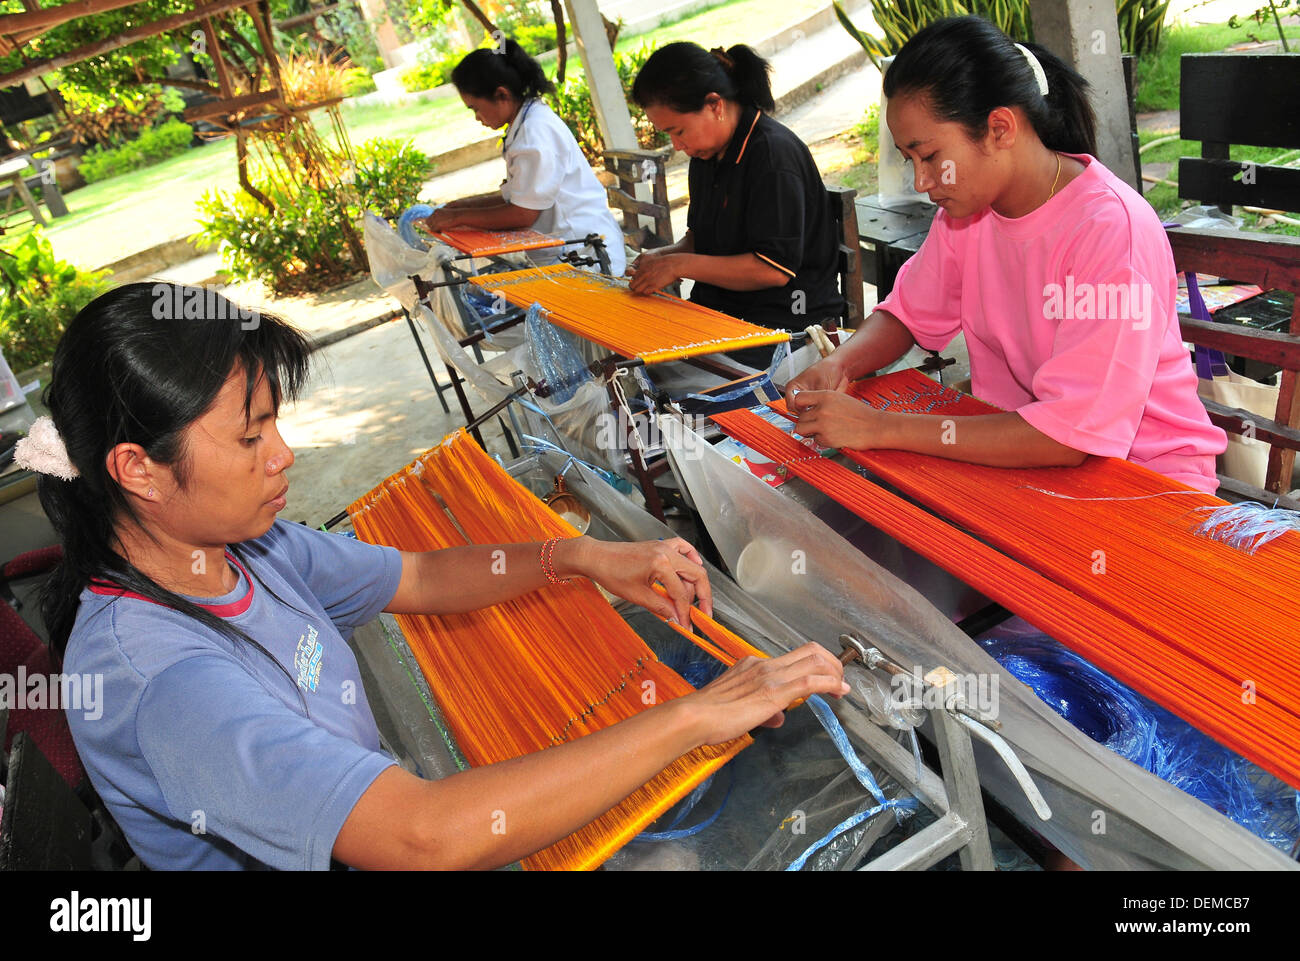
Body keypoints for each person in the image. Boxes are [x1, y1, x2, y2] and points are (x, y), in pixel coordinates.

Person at [21, 283, 847, 870]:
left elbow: (418, 574)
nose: (284, 456)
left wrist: (582, 556)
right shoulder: (162, 680)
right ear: (139, 469)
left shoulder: (241, 550)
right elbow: (422, 836)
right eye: (250, 438)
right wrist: (698, 713)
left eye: (275, 424)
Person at [785, 16, 1225, 492]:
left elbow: (1069, 437)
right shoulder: (967, 215)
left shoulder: (1110, 231)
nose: (921, 182)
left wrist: (880, 427)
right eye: (909, 160)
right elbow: (910, 314)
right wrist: (839, 364)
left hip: (1144, 483)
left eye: (930, 156)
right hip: (1025, 462)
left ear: (999, 128)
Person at [628, 42, 843, 367]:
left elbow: (772, 268)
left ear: (715, 105)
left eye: (678, 131)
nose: (677, 145)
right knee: (634, 356)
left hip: (787, 324)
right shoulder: (706, 156)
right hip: (725, 313)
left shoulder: (772, 156)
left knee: (668, 388)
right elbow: (702, 238)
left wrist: (678, 265)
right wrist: (661, 257)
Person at [426, 40, 626, 275]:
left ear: (502, 95)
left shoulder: (535, 131)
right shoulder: (526, 122)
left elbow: (522, 213)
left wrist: (457, 217)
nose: (477, 117)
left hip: (588, 259)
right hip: (570, 250)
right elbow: (517, 195)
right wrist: (460, 207)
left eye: (475, 108)